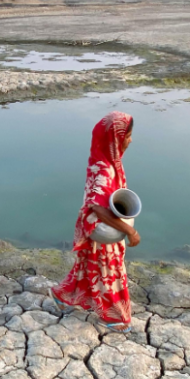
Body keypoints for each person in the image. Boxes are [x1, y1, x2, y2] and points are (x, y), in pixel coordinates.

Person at [51, 111, 139, 331]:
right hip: (101, 231)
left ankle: (63, 296)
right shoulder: (104, 170)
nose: (130, 140)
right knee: (109, 273)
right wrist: (130, 232)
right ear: (115, 137)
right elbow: (98, 209)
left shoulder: (106, 161)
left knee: (86, 268)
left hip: (98, 229)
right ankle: (114, 317)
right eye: (127, 135)